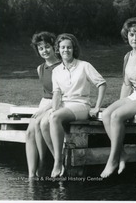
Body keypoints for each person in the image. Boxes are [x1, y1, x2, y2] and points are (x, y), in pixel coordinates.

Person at [100, 17, 136, 178]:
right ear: (127, 36)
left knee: (117, 116)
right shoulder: (128, 56)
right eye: (131, 34)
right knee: (106, 114)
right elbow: (126, 84)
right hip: (134, 94)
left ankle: (112, 160)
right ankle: (122, 153)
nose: (134, 38)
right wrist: (120, 104)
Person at [48, 33, 107, 177]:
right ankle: (56, 157)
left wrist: (97, 106)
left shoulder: (84, 66)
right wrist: (54, 109)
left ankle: (57, 161)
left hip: (81, 105)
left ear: (73, 49)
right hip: (64, 105)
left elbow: (102, 84)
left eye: (69, 47)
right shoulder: (56, 71)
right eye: (62, 47)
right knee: (44, 122)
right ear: (58, 49)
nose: (65, 50)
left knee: (54, 118)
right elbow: (56, 93)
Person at [26, 31, 61, 178]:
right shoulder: (40, 68)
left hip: (59, 101)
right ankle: (31, 174)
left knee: (40, 123)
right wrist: (43, 107)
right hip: (45, 101)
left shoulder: (62, 65)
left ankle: (42, 163)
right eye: (41, 49)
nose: (44, 51)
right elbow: (46, 92)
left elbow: (62, 92)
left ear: (54, 47)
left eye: (47, 47)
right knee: (29, 132)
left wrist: (46, 109)